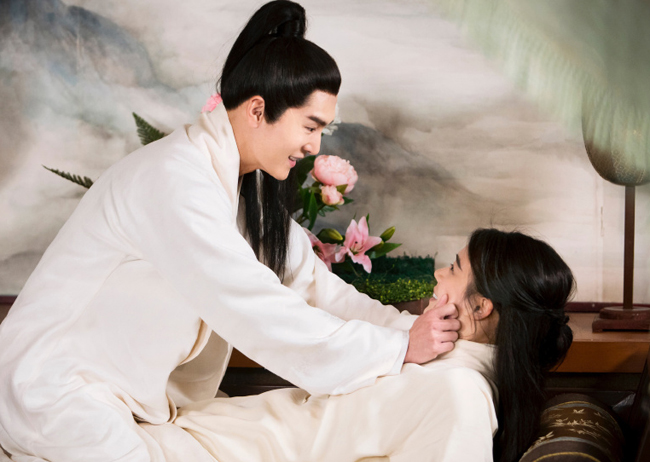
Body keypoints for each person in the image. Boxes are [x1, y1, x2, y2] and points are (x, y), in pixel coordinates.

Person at [0, 2, 460, 461]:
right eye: (310, 126)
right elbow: (258, 310)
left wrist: (409, 331)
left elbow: (319, 290)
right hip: (53, 391)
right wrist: (398, 347)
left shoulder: (239, 195)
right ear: (258, 110)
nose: (315, 146)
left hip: (123, 401)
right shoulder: (175, 180)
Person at [171, 228, 575, 462]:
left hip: (238, 448)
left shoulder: (461, 394)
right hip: (234, 432)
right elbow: (347, 306)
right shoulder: (435, 344)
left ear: (481, 307)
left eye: (453, 268)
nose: (438, 272)